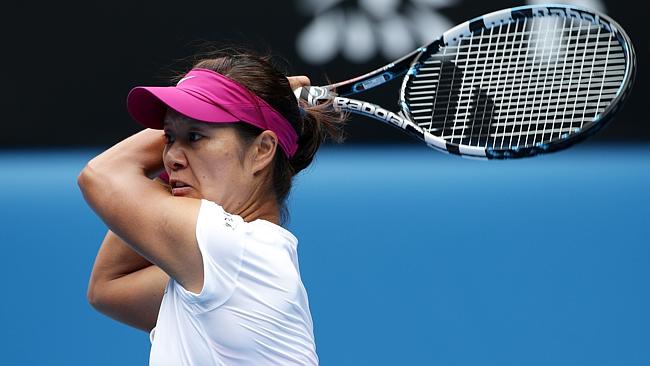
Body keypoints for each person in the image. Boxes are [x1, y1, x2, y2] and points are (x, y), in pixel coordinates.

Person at [78, 50, 346, 365]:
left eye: (195, 136)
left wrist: (260, 106)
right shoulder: (227, 263)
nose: (171, 157)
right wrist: (186, 154)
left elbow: (102, 174)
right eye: (168, 139)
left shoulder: (230, 250)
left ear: (262, 150)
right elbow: (108, 287)